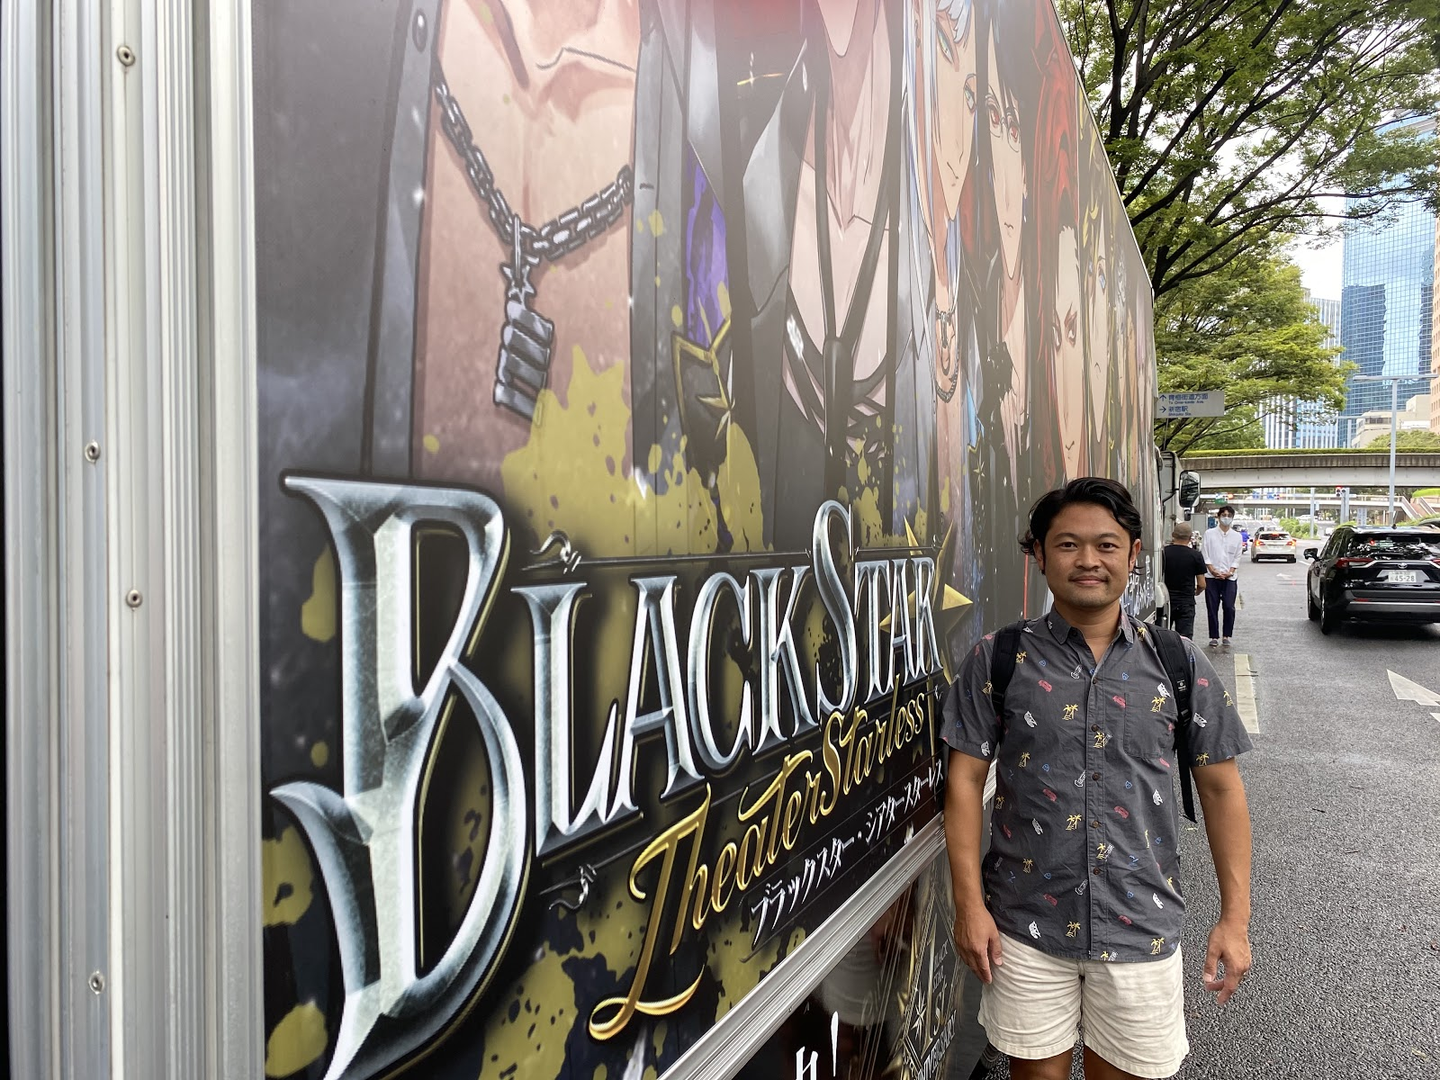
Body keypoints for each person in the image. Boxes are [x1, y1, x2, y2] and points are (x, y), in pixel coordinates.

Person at [940, 477, 1253, 1080]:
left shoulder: (1177, 661)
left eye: (1106, 545)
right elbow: (964, 783)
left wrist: (1234, 919)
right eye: (1068, 544)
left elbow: (1221, 790)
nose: (1088, 560)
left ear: (1133, 555)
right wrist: (968, 906)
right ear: (1039, 554)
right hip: (1024, 926)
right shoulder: (999, 658)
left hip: (1141, 924)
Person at [1201, 506, 1245, 648]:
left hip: (1229, 577)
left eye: (1229, 515)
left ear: (1232, 518)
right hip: (1211, 577)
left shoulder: (1236, 536)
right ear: (1218, 517)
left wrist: (1230, 571)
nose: (1226, 518)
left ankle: (1226, 635)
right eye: (1223, 515)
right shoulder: (1209, 534)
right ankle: (1214, 636)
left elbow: (1237, 556)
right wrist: (1212, 570)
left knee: (1229, 607)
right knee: (1212, 607)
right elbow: (1205, 553)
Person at [1161, 522, 1206, 639]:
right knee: (1185, 639)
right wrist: (1196, 592)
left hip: (1166, 600)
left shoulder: (1163, 553)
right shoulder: (1196, 555)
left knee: (1162, 637)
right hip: (1186, 602)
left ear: (1173, 535)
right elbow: (1202, 584)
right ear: (1190, 537)